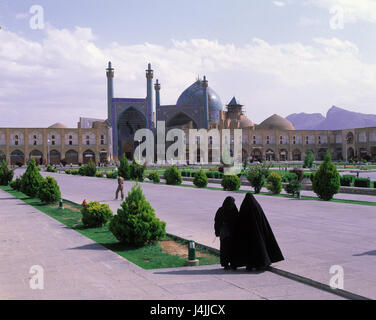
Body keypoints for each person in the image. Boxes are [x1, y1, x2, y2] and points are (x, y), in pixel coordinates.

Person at [233, 193, 284, 271]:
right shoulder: (257, 206)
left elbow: (240, 220)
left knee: (248, 250)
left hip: (247, 234)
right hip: (258, 233)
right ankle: (259, 264)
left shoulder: (244, 206)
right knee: (258, 249)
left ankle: (249, 266)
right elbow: (262, 220)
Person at [214, 196, 238, 270]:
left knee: (225, 249)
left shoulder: (221, 210)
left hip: (225, 233)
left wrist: (217, 231)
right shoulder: (234, 209)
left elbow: (217, 222)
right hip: (231, 233)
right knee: (231, 249)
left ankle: (226, 264)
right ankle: (233, 264)